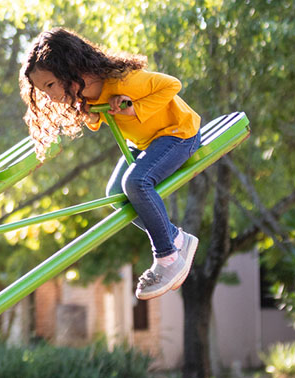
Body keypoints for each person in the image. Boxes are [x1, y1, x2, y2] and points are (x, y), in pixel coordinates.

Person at [20, 27, 202, 300]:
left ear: (70, 68)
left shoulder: (124, 80)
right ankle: (175, 239)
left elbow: (171, 85)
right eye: (42, 91)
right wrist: (90, 113)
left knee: (136, 183)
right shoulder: (88, 94)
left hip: (177, 133)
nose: (49, 96)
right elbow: (102, 118)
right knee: (115, 194)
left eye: (49, 85)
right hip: (145, 142)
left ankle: (167, 257)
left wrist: (134, 107)